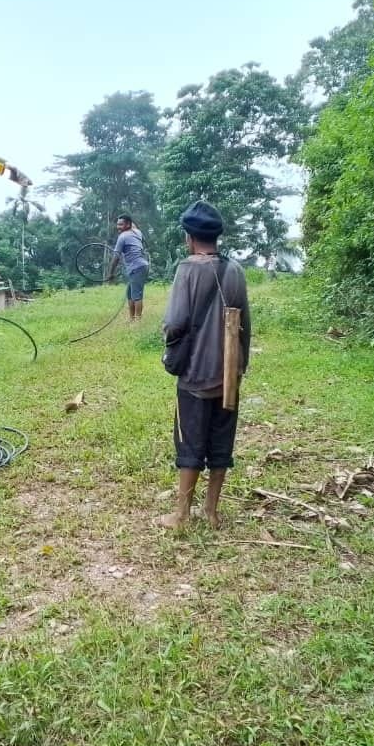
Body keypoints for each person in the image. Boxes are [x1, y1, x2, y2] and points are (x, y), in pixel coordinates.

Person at [159, 201, 251, 530]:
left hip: (195, 375)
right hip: (228, 377)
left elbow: (175, 322)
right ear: (216, 236)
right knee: (220, 443)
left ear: (189, 237)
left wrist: (169, 346)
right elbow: (246, 326)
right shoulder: (236, 270)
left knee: (190, 442)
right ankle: (211, 512)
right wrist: (240, 368)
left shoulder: (187, 269)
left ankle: (182, 514)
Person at [105, 214, 149, 321]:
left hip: (137, 267)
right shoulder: (137, 232)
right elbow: (133, 226)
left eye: (121, 224)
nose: (118, 227)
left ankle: (138, 321)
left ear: (128, 224)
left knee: (137, 295)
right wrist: (128, 222)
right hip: (141, 266)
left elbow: (116, 257)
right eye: (117, 224)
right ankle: (131, 319)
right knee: (130, 294)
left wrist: (110, 273)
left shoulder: (123, 237)